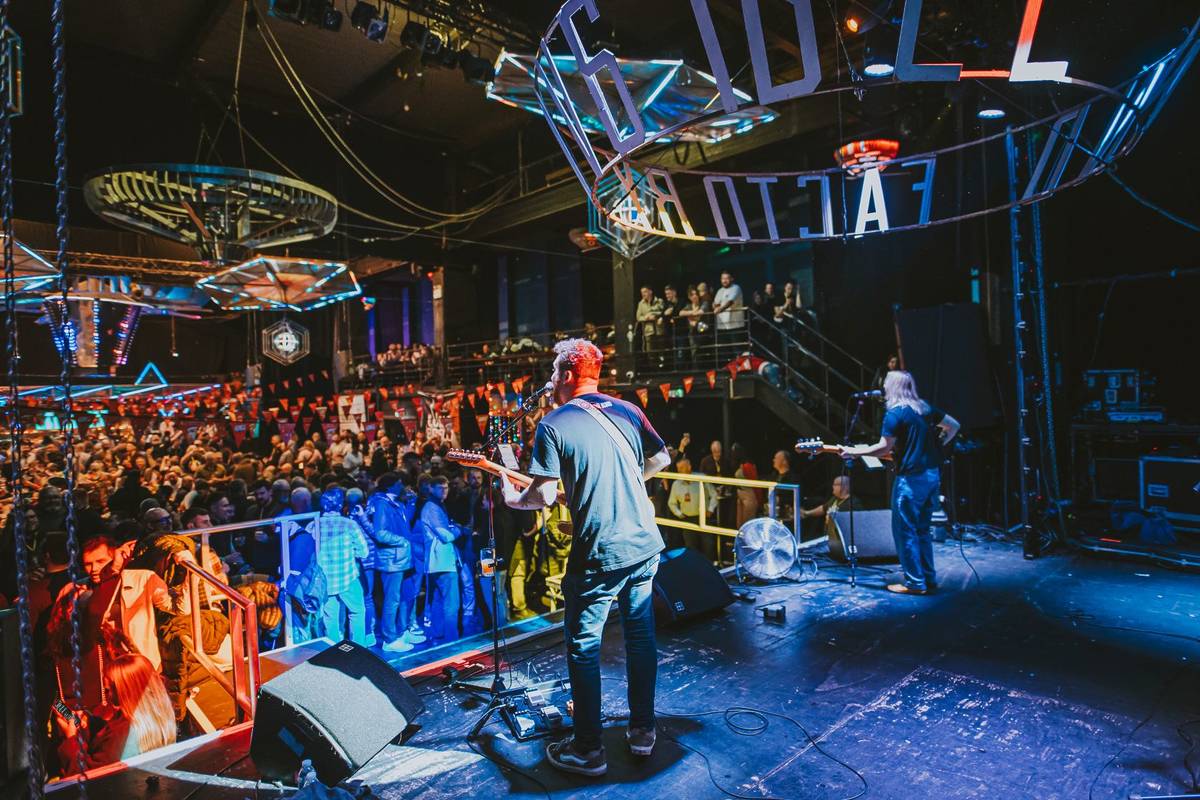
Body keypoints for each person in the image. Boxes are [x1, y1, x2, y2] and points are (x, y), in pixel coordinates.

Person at [499, 337, 672, 776]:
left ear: (570, 375)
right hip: (645, 544)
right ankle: (642, 731)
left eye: (555, 371)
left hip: (600, 551)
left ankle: (589, 750)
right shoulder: (628, 409)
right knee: (640, 637)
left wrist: (509, 495)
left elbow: (539, 499)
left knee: (583, 646)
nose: (551, 379)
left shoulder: (554, 423)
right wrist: (630, 481)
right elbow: (663, 457)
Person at [836, 370, 959, 594]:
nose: (883, 390)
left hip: (912, 479)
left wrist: (853, 452)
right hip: (932, 475)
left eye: (886, 386)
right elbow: (954, 426)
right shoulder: (924, 408)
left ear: (892, 388)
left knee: (905, 531)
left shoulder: (895, 414)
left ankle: (914, 582)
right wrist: (939, 444)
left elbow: (884, 447)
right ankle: (927, 579)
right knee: (922, 529)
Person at [55, 652, 176, 774]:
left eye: (108, 690)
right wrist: (90, 722)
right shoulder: (155, 714)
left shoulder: (122, 735)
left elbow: (89, 779)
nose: (107, 695)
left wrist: (71, 739)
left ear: (125, 690)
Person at [314, 487, 370, 643]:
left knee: (330, 618)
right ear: (340, 505)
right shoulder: (349, 525)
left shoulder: (313, 526)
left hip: (325, 582)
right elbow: (364, 552)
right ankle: (358, 649)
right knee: (357, 612)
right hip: (348, 579)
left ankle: (334, 652)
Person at [371, 473, 416, 652]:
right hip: (392, 560)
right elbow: (380, 532)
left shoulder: (396, 502)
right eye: (398, 482)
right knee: (392, 600)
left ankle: (402, 631)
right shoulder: (382, 504)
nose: (402, 485)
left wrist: (411, 504)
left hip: (402, 559)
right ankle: (389, 639)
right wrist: (402, 541)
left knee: (405, 595)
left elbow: (405, 524)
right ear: (390, 486)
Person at [417, 475, 462, 643]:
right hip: (442, 562)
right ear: (431, 489)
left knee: (436, 601)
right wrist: (458, 530)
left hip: (436, 563)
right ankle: (452, 640)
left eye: (447, 487)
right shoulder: (432, 507)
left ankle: (438, 634)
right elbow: (446, 536)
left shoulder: (436, 506)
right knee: (451, 604)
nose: (445, 491)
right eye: (440, 488)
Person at [666, 456, 718, 559]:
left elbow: (714, 494)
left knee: (708, 546)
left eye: (682, 468)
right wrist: (679, 514)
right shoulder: (676, 484)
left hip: (704, 518)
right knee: (691, 548)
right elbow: (671, 503)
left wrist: (710, 509)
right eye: (678, 469)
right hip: (687, 520)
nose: (679, 471)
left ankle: (709, 569)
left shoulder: (701, 478)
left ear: (689, 467)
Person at [800, 475, 855, 539]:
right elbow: (823, 508)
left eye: (834, 484)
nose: (832, 487)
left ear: (842, 487)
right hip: (828, 537)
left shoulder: (852, 504)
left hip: (840, 541)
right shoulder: (835, 499)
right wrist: (807, 513)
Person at [712, 271, 745, 360]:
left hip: (735, 325)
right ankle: (727, 372)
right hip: (722, 327)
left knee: (737, 351)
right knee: (724, 352)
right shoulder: (720, 291)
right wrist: (715, 306)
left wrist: (720, 309)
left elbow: (730, 302)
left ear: (731, 279)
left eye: (726, 278)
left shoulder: (736, 288)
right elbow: (715, 303)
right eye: (722, 279)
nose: (724, 281)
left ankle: (741, 372)